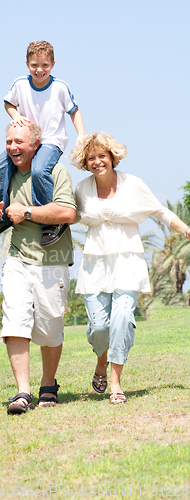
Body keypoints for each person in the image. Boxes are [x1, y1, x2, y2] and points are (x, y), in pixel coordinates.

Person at [70, 133, 190, 404]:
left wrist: (186, 231)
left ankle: (115, 382)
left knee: (123, 319)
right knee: (99, 327)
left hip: (128, 262)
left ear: (112, 157)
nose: (97, 162)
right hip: (94, 266)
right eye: (91, 158)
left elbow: (159, 211)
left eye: (102, 156)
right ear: (85, 163)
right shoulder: (81, 188)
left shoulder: (133, 184)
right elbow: (67, 215)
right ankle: (101, 360)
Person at [0, 122, 77, 414]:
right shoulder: (7, 174)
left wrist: (26, 212)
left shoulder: (56, 172)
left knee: (51, 328)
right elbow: (0, 204)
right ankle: (22, 392)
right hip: (16, 259)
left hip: (52, 260)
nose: (13, 147)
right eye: (9, 142)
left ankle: (48, 384)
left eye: (19, 142)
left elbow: (67, 212)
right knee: (15, 322)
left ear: (36, 145)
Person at [0, 40, 85, 246]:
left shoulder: (60, 87)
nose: (39, 70)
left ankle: (49, 222)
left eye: (45, 65)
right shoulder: (20, 84)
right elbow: (8, 103)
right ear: (27, 64)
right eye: (34, 65)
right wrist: (15, 117)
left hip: (51, 140)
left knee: (39, 170)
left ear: (53, 64)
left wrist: (81, 136)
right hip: (28, 140)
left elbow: (74, 112)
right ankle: (3, 214)